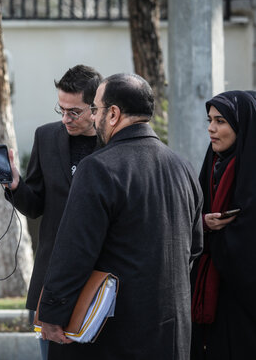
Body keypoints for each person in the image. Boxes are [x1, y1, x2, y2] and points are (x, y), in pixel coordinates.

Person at [37, 73, 203, 360]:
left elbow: (74, 251)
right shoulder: (183, 167)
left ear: (113, 113)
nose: (94, 116)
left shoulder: (98, 168)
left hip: (112, 332)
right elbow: (196, 246)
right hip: (170, 330)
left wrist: (51, 313)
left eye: (96, 109)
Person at [0, 64, 102, 360]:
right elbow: (35, 205)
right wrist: (15, 184)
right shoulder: (47, 136)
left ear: (96, 107)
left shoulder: (115, 142)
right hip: (52, 276)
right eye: (60, 109)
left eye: (74, 112)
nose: (65, 118)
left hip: (101, 273)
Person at [190, 91, 256, 359]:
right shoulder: (214, 163)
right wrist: (204, 224)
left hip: (245, 300)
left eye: (221, 121)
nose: (211, 128)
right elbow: (194, 214)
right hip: (212, 291)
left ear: (242, 125)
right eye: (209, 120)